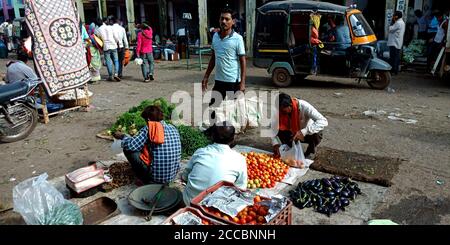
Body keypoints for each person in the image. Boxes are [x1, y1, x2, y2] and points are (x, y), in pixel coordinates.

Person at [181, 122, 247, 206]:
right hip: (217, 209)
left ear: (212, 136)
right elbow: (240, 188)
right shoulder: (240, 159)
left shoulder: (200, 152)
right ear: (233, 139)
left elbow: (184, 177)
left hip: (189, 203)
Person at [113, 106, 182, 184]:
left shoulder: (150, 128)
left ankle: (143, 179)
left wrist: (122, 137)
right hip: (171, 176)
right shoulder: (173, 128)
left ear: (148, 119)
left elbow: (130, 146)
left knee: (128, 150)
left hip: (156, 178)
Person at [202, 7, 246, 104]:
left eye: (227, 19)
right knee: (212, 111)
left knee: (232, 113)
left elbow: (243, 61)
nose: (224, 21)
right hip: (219, 81)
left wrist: (242, 83)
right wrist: (206, 77)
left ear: (233, 22)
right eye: (222, 18)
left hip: (233, 82)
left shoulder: (238, 39)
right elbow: (213, 58)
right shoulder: (215, 37)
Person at [272, 93, 328, 160]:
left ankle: (310, 152)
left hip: (305, 133)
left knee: (317, 134)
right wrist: (275, 143)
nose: (281, 113)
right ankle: (288, 147)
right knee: (278, 129)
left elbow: (323, 121)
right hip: (291, 132)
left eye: (283, 111)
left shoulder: (305, 106)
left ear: (290, 105)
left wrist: (304, 131)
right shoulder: (280, 110)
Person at [95, 17, 120, 81]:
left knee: (109, 62)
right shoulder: (110, 27)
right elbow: (116, 37)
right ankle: (116, 74)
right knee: (116, 60)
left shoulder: (98, 30)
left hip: (106, 47)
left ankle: (110, 76)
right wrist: (118, 43)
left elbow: (99, 39)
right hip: (113, 45)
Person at [387, 11, 405, 75]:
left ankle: (392, 71)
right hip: (397, 43)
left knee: (393, 58)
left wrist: (392, 22)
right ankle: (395, 71)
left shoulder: (398, 23)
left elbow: (390, 29)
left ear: (396, 16)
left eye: (394, 15)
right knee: (396, 57)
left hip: (394, 43)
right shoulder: (401, 22)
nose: (393, 17)